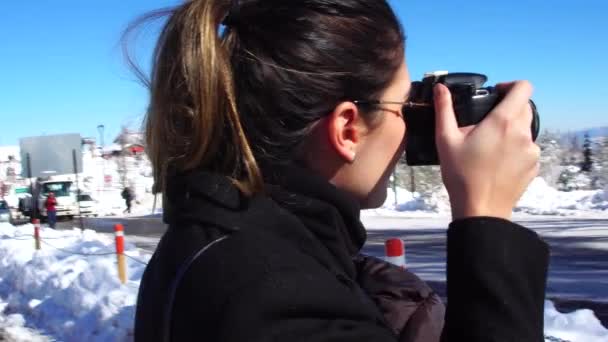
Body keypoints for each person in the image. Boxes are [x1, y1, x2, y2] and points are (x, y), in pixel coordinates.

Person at [133, 1, 548, 341]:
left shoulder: (229, 244)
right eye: (405, 106)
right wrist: (486, 216)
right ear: (347, 128)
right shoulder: (272, 301)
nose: (412, 129)